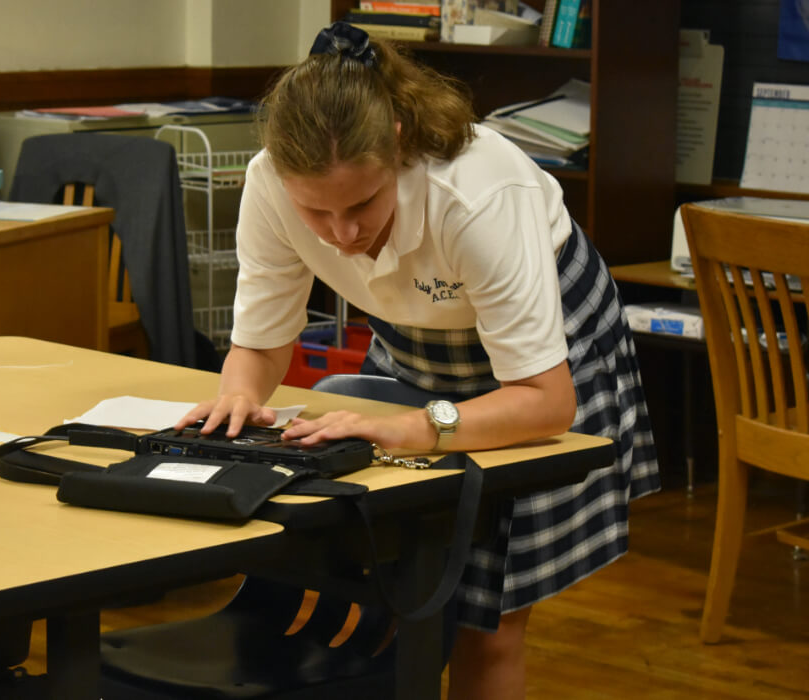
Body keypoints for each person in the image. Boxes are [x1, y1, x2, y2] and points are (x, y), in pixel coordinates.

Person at [177, 21, 660, 700]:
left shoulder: (477, 194)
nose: (343, 235)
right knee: (398, 593)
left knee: (484, 622)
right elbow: (260, 343)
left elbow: (546, 400)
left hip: (545, 359)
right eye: (316, 212)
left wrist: (412, 429)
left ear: (399, 141)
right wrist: (239, 396)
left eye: (364, 204)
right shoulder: (268, 184)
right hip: (416, 339)